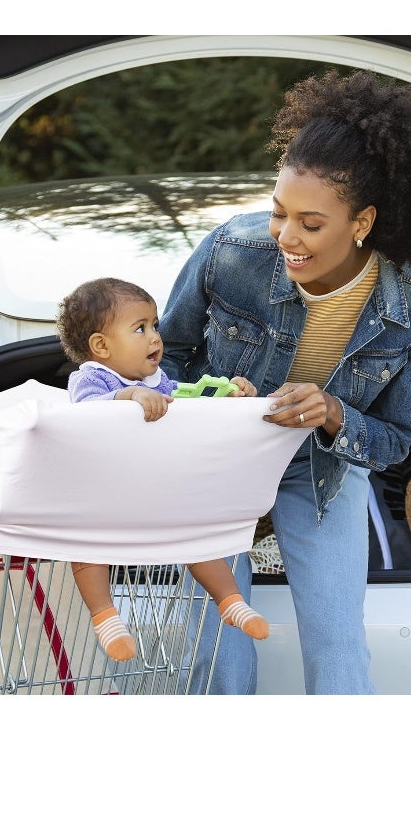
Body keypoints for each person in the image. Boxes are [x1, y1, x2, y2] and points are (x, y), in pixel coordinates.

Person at [159, 68, 411, 694]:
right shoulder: (233, 251)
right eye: (280, 212)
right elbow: (164, 355)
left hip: (323, 472)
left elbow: (394, 435)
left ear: (362, 220)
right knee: (219, 660)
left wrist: (333, 413)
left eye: (311, 224)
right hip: (211, 465)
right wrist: (178, 405)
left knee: (340, 656)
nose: (285, 236)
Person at [56, 276, 268, 661]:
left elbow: (188, 404)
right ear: (101, 346)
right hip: (106, 495)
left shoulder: (159, 380)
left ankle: (230, 601)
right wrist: (128, 396)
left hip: (156, 490)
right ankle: (105, 618)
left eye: (155, 325)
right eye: (140, 328)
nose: (155, 337)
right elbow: (85, 412)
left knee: (198, 538)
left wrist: (228, 394)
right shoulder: (93, 377)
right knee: (85, 544)